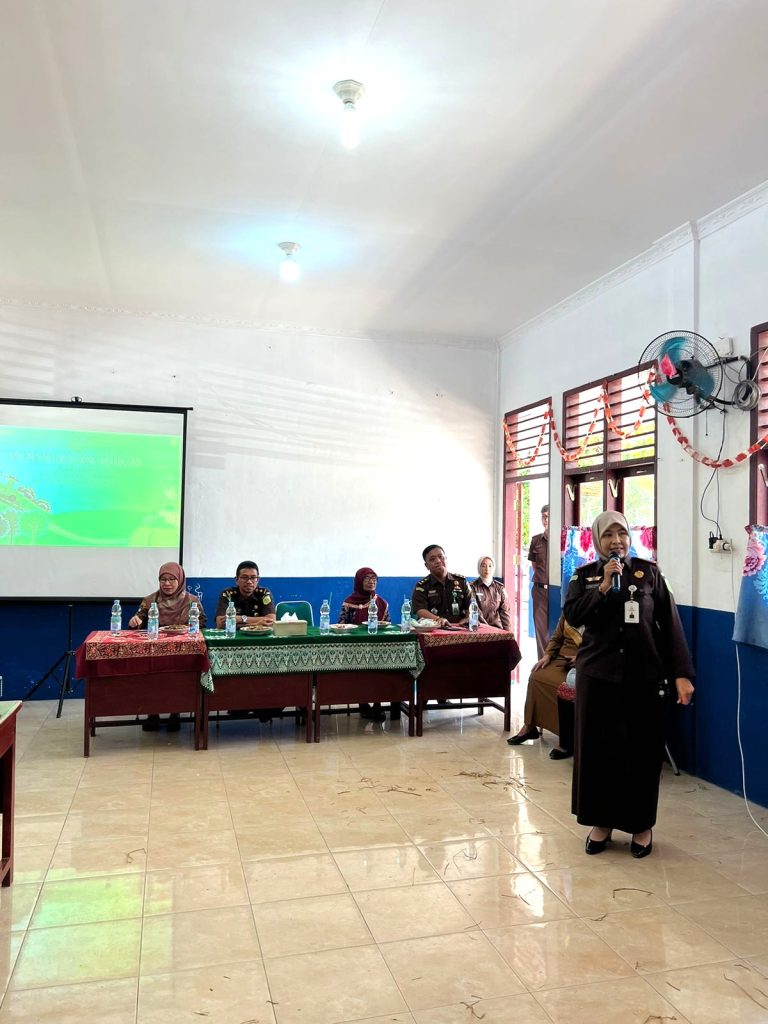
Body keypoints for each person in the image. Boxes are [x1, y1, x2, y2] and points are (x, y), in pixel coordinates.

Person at [563, 510, 694, 859]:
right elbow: (573, 616)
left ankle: (640, 826)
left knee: (642, 753)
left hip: (643, 677)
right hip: (597, 676)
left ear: (629, 537)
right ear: (597, 540)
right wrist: (605, 587)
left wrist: (682, 673)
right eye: (608, 535)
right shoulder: (584, 576)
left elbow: (670, 624)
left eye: (621, 533)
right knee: (598, 753)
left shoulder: (649, 573)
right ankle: (601, 823)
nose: (616, 541)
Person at [128, 562, 206, 731]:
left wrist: (188, 629)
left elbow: (202, 623)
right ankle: (152, 713)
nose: (167, 583)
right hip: (154, 652)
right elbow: (139, 620)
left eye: (172, 579)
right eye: (163, 579)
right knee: (151, 677)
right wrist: (135, 622)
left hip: (182, 652)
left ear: (180, 580)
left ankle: (175, 713)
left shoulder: (192, 601)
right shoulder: (150, 600)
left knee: (178, 677)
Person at [507, 614, 582, 758]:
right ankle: (529, 726)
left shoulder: (597, 612)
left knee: (562, 686)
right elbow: (556, 638)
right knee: (536, 676)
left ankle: (566, 740)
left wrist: (582, 657)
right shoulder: (569, 611)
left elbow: (601, 645)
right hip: (561, 658)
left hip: (582, 661)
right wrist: (547, 655)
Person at [340, 567, 390, 721]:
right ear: (359, 581)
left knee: (382, 668)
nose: (371, 581)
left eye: (374, 578)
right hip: (354, 647)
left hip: (377, 647)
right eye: (367, 578)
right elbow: (341, 625)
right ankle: (362, 703)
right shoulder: (349, 603)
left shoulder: (381, 603)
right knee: (358, 670)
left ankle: (378, 704)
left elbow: (388, 625)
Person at [411, 545, 475, 626]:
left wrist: (468, 617)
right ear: (427, 566)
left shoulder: (461, 582)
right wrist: (438, 619)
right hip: (434, 628)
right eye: (432, 559)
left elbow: (471, 604)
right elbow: (420, 610)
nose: (438, 561)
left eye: (441, 557)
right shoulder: (422, 586)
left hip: (460, 627)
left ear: (446, 559)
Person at [215, 561, 275, 628]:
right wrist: (256, 624)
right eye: (244, 577)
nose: (249, 582)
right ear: (236, 580)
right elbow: (220, 624)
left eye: (253, 578)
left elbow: (271, 620)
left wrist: (241, 619)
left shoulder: (264, 593)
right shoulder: (227, 594)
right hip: (233, 634)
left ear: (258, 580)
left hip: (259, 634)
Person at [528, 504, 549, 658]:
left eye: (548, 516)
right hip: (540, 590)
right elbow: (535, 566)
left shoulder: (562, 540)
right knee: (541, 631)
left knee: (558, 629)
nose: (545, 520)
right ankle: (542, 662)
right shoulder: (536, 540)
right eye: (543, 516)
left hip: (557, 591)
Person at [471, 556, 511, 630]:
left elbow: (505, 612)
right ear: (479, 568)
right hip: (480, 629)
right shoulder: (472, 587)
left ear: (493, 568)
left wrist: (508, 632)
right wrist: (487, 629)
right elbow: (475, 611)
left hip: (497, 629)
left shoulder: (500, 588)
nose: (487, 569)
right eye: (483, 566)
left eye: (490, 566)